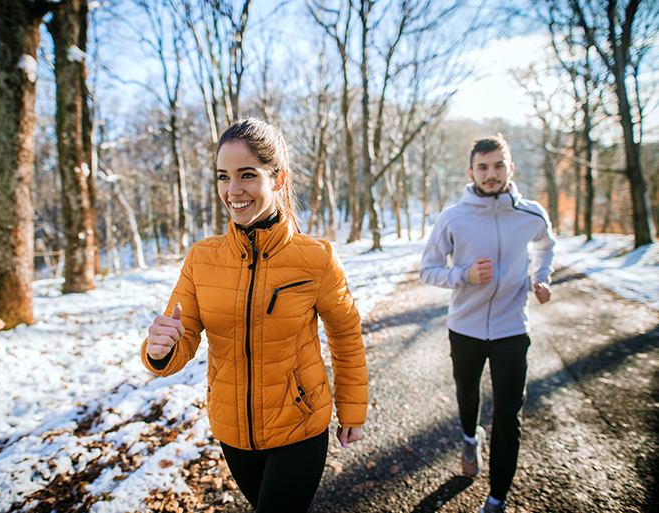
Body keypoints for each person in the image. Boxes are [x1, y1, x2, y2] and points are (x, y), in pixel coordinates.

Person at [141, 117, 368, 513]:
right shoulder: (201, 258)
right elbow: (183, 336)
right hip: (232, 430)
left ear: (278, 179)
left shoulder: (316, 259)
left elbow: (346, 337)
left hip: (299, 427)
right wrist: (160, 350)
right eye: (222, 177)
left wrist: (352, 408)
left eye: (247, 174)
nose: (233, 190)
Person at [419, 134, 555, 513]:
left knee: (509, 416)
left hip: (513, 328)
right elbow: (428, 270)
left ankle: (496, 500)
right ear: (471, 171)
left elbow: (547, 245)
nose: (491, 173)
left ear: (510, 169)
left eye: (498, 166)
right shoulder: (453, 217)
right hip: (465, 328)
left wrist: (542, 276)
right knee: (468, 396)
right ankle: (468, 437)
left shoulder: (530, 214)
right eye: (483, 167)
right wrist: (463, 275)